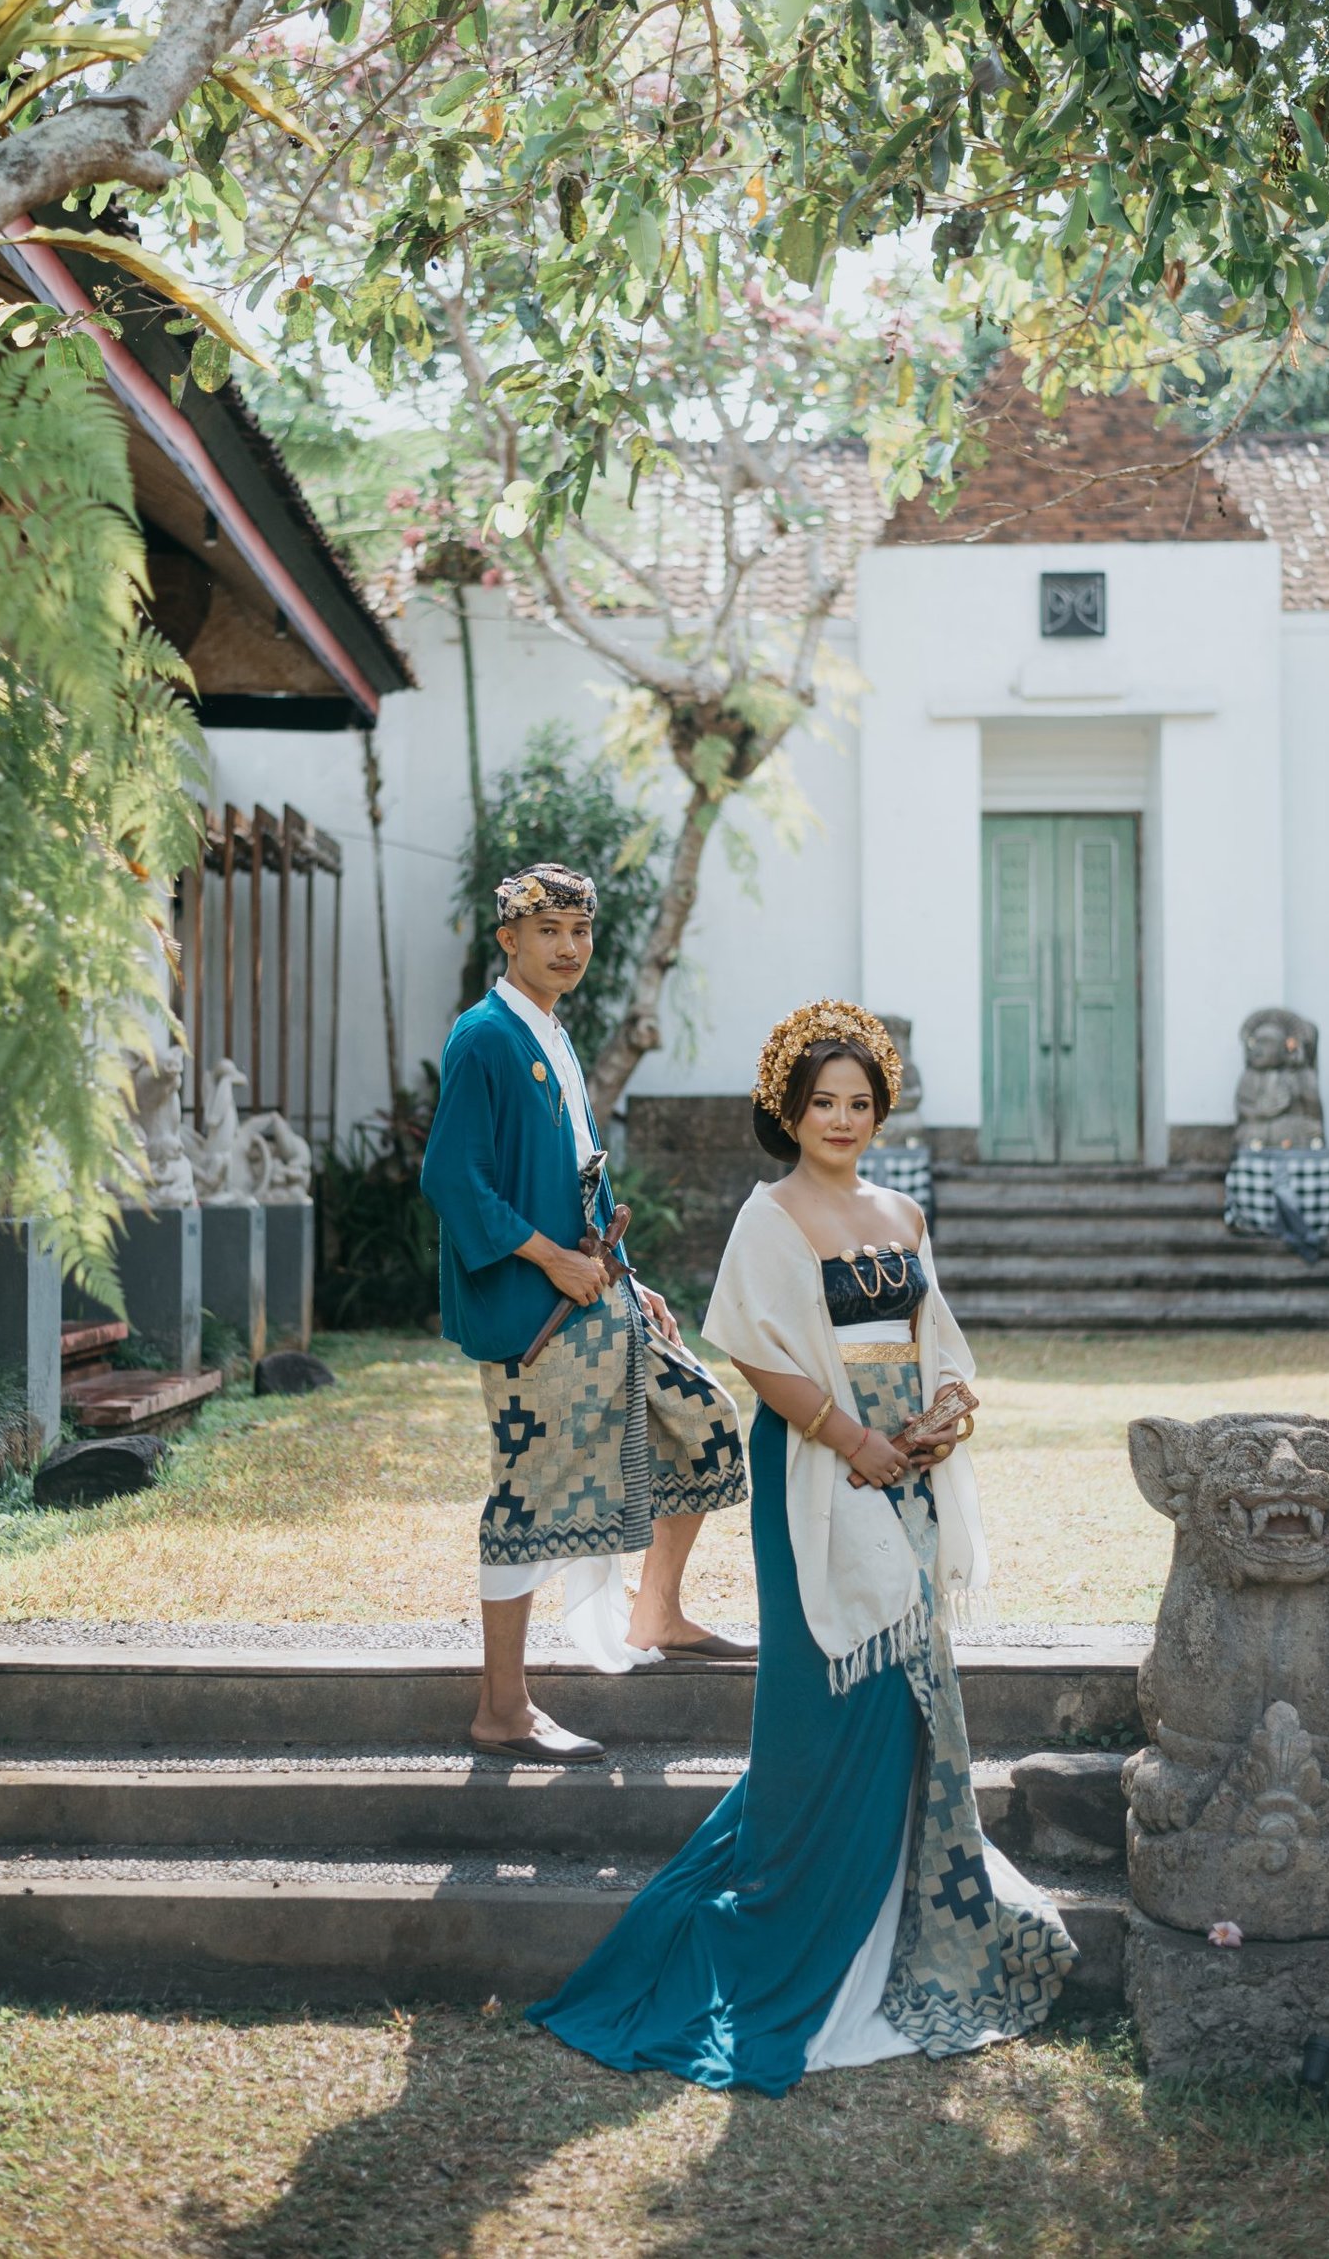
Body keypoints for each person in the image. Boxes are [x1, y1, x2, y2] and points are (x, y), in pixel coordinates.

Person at [529, 998, 1074, 2088]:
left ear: (880, 1109)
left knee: (904, 1684)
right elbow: (759, 1355)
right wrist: (854, 1438)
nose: (840, 1118)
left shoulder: (903, 1212)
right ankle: (798, 1914)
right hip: (819, 1468)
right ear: (789, 1108)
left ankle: (896, 1908)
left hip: (908, 1473)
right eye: (821, 1100)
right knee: (821, 1689)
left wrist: (939, 1415)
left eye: (858, 1101)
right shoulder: (770, 1216)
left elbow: (934, 1336)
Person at [420, 861, 751, 1766]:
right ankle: (503, 1707)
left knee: (704, 1421)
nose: (569, 947)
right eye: (549, 932)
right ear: (509, 940)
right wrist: (551, 1257)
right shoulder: (484, 1036)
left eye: (580, 931)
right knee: (526, 1493)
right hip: (530, 1314)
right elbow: (452, 1177)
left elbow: (580, 1174)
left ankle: (659, 1613)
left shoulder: (552, 1032)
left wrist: (624, 1275)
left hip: (598, 1295)